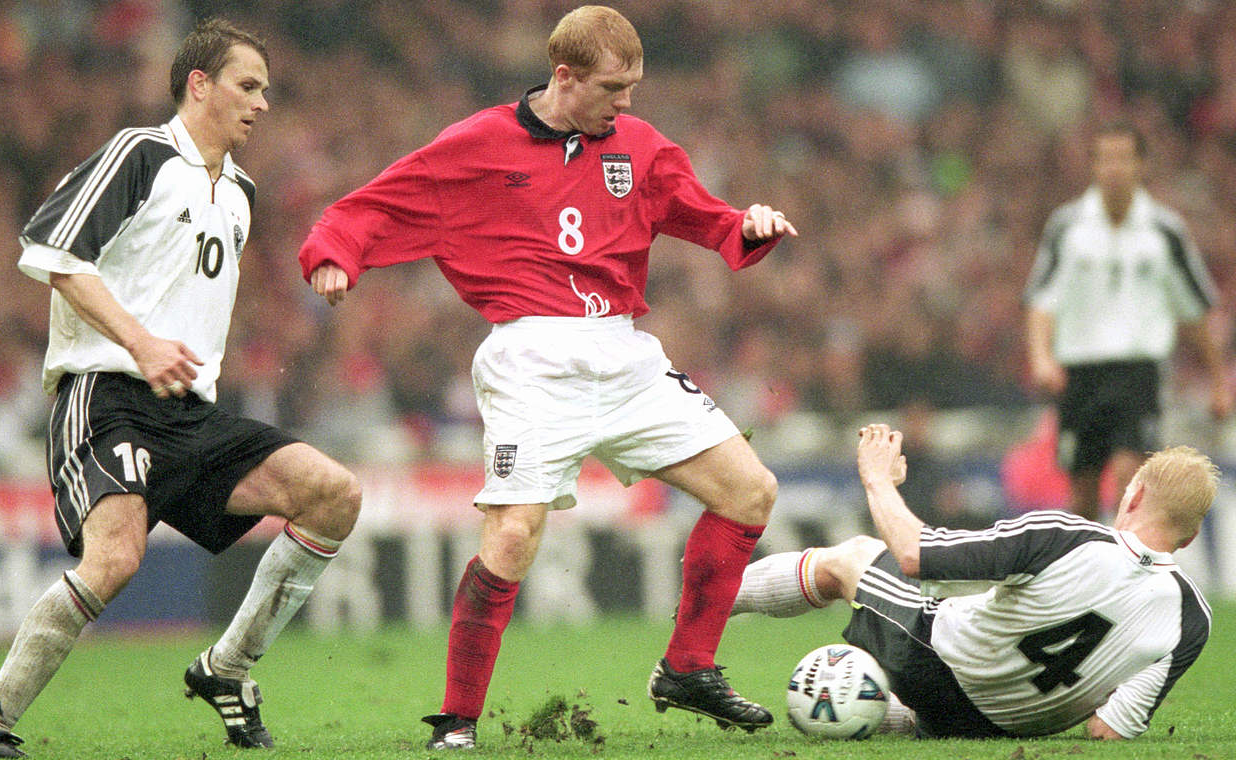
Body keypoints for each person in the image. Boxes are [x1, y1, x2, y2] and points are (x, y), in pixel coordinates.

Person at [297, 5, 796, 750]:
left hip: (625, 353)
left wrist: (744, 227)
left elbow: (702, 214)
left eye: (633, 87)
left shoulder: (642, 148)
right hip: (530, 357)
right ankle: (458, 721)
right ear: (564, 77)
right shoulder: (478, 144)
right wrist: (334, 252)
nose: (626, 104)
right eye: (612, 88)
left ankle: (688, 668)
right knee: (513, 537)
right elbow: (375, 203)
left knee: (751, 490)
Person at [0, 19, 362, 759]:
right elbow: (51, 251)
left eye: (267, 90)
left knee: (334, 494)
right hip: (106, 395)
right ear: (198, 85)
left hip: (189, 413)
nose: (262, 104)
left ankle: (228, 667)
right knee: (114, 561)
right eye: (248, 86)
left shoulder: (240, 192)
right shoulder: (141, 153)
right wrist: (139, 342)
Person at [733, 423, 1214, 740]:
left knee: (850, 558)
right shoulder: (1193, 620)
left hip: (934, 664)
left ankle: (706, 604)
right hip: (999, 730)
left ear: (1133, 496)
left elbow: (913, 554)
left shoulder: (1066, 536)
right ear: (1190, 537)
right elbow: (1108, 730)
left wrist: (878, 480)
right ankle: (890, 715)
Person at [1024, 120, 1231, 521]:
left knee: (1127, 479)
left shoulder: (1165, 230)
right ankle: (1084, 576)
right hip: (1079, 372)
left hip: (1138, 372)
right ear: (1094, 166)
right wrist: (1041, 357)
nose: (1114, 168)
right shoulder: (1067, 227)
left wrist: (1218, 381)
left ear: (1141, 166)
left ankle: (1125, 575)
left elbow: (1194, 309)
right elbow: (1041, 300)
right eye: (1105, 159)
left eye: (1123, 158)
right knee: (1081, 490)